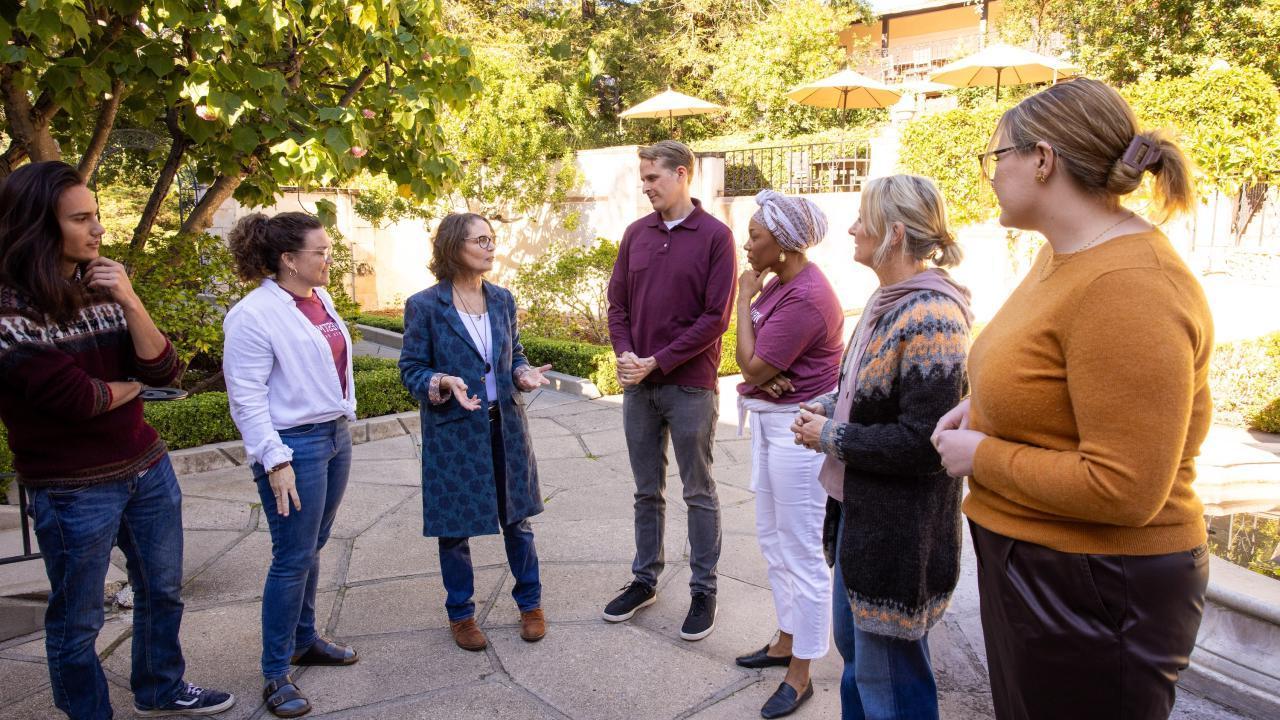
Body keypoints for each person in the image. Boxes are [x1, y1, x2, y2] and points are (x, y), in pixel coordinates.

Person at [932, 77, 1211, 720]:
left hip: (1098, 584)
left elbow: (1125, 487)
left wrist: (984, 455)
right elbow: (1054, 381)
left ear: (1043, 159)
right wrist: (985, 410)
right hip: (1047, 568)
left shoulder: (1130, 284)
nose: (990, 175)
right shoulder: (1064, 256)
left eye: (996, 157)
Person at [0, 161, 235, 719]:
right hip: (74, 489)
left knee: (163, 591)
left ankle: (160, 688)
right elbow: (79, 400)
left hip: (146, 469)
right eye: (81, 219)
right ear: (38, 226)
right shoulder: (10, 313)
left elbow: (165, 371)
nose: (98, 229)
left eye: (97, 215)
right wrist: (132, 387)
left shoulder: (103, 285)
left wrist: (130, 299)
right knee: (78, 619)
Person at [792, 175, 971, 720]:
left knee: (889, 678)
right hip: (862, 517)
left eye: (862, 218)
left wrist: (831, 436)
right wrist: (829, 405)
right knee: (861, 664)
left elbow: (924, 442)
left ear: (893, 233)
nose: (851, 227)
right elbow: (865, 390)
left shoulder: (931, 317)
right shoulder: (887, 302)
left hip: (897, 532)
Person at [223, 211, 359, 718]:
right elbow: (247, 398)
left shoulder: (317, 299)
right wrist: (274, 460)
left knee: (312, 546)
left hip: (332, 438)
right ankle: (275, 673)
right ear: (288, 259)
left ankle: (305, 640)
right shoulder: (252, 315)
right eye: (319, 252)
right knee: (291, 557)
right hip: (292, 447)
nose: (328, 258)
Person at [399, 212, 553, 652]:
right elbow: (411, 368)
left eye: (492, 239)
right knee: (454, 530)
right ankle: (461, 615)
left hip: (505, 426)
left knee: (517, 522)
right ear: (453, 247)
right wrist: (441, 382)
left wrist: (521, 374)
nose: (490, 247)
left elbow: (514, 355)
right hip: (454, 432)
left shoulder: (503, 299)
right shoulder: (425, 305)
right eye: (480, 240)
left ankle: (531, 604)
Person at [602, 140, 736, 641]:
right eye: (643, 178)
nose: (646, 186)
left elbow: (715, 318)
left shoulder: (716, 237)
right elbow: (618, 304)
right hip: (640, 388)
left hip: (689, 387)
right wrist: (627, 355)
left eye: (653, 178)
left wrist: (659, 359)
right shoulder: (636, 234)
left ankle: (705, 590)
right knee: (645, 490)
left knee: (697, 490)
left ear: (682, 175)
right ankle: (645, 580)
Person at [731, 190, 843, 719]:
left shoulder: (805, 296)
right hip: (772, 426)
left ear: (785, 242)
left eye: (755, 235)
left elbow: (749, 365)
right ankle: (785, 639)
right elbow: (759, 371)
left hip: (798, 436)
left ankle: (802, 674)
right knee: (774, 542)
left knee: (801, 554)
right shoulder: (784, 284)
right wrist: (763, 376)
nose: (747, 244)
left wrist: (742, 299)